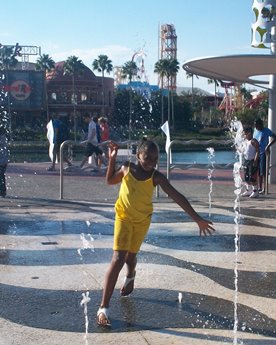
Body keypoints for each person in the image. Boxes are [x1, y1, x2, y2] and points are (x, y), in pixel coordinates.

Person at [96, 139, 215, 327]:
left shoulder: (156, 177)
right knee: (118, 258)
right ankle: (104, 308)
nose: (151, 161)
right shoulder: (127, 168)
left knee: (131, 257)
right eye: (147, 157)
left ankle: (131, 275)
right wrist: (112, 159)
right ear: (138, 156)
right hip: (123, 218)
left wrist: (197, 219)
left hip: (142, 221)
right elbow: (110, 180)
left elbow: (178, 196)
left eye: (155, 158)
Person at [253, 118, 276, 193]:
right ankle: (259, 187)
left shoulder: (266, 130)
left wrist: (268, 146)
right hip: (256, 152)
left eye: (257, 125)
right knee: (258, 171)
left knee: (263, 171)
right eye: (255, 125)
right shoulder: (255, 131)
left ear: (260, 124)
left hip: (264, 152)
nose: (256, 127)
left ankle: (265, 188)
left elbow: (274, 137)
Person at [241, 127, 259, 198]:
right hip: (246, 161)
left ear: (249, 133)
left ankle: (255, 191)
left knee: (253, 176)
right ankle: (248, 190)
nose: (244, 135)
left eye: (245, 133)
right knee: (246, 177)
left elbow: (258, 151)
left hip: (252, 161)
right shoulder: (246, 141)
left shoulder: (253, 141)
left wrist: (255, 160)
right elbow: (244, 151)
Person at [0, 126, 9, 197]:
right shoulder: (3, 137)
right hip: (3, 160)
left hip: (2, 160)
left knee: (1, 176)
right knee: (1, 176)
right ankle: (3, 191)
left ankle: (2, 191)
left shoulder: (1, 138)